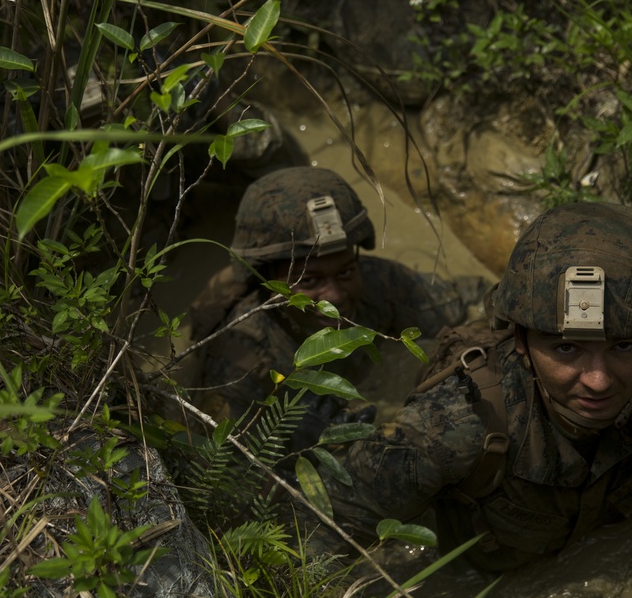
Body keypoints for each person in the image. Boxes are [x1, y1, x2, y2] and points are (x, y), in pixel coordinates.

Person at [307, 200, 632, 571]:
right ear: (520, 341)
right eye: (566, 350)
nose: (598, 381)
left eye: (623, 348)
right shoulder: (455, 426)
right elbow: (322, 522)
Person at [187, 166, 489, 453]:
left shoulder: (377, 282)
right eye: (309, 280)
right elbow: (227, 470)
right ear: (267, 280)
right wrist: (304, 441)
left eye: (345, 272)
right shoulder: (240, 357)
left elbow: (471, 302)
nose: (333, 296)